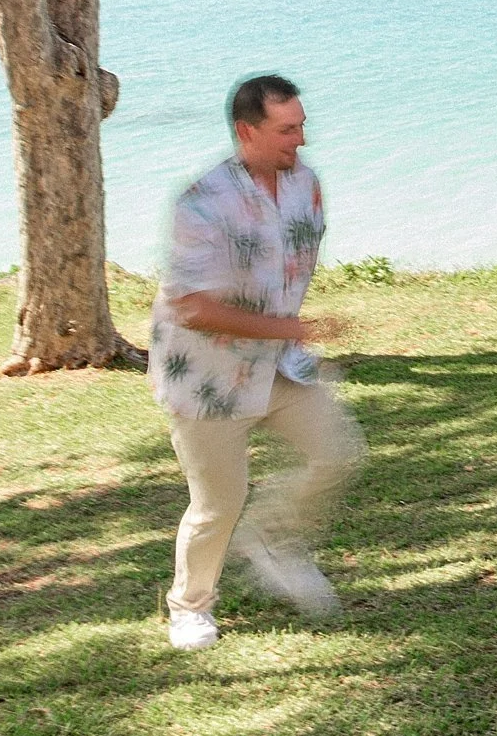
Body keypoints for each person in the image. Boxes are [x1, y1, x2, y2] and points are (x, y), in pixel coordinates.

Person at [149, 74, 365, 652]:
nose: (301, 139)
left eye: (302, 125)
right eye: (287, 129)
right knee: (218, 503)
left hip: (280, 366)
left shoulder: (306, 185)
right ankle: (189, 608)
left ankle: (274, 539)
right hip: (207, 378)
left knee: (338, 452)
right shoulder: (201, 201)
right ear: (247, 132)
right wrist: (292, 327)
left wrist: (287, 332)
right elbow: (192, 308)